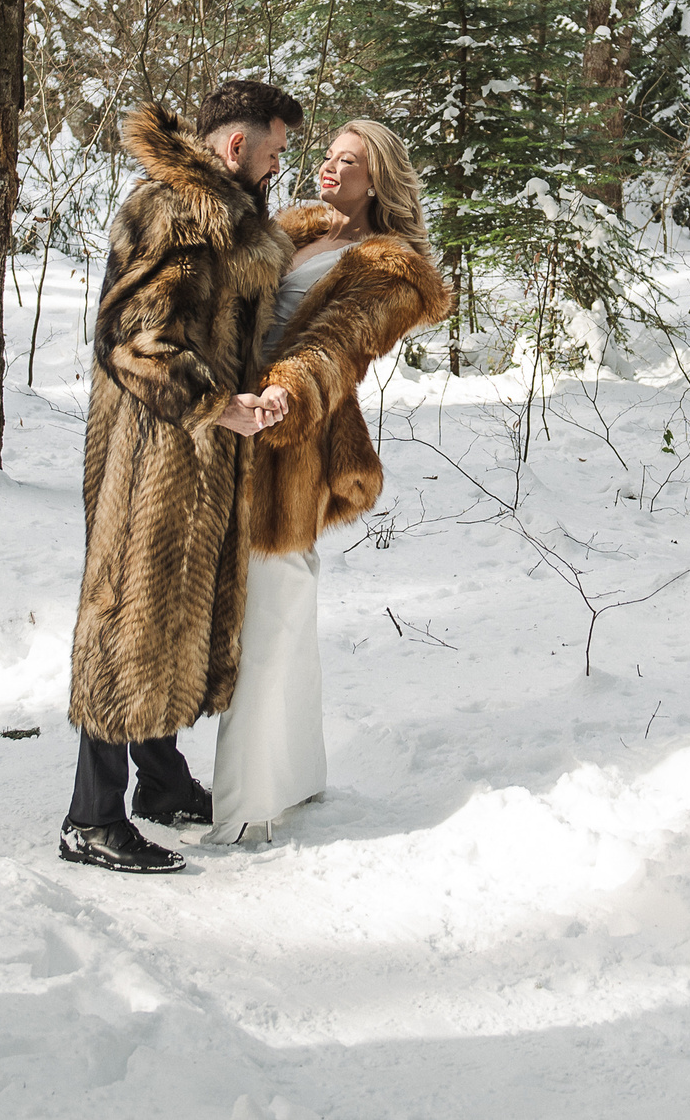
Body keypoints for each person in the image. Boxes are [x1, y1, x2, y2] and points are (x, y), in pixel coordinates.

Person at [60, 79, 304, 875]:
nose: (277, 169)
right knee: (128, 613)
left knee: (169, 612)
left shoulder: (228, 217)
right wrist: (213, 403)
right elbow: (129, 340)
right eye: (272, 152)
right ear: (236, 147)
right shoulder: (172, 209)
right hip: (152, 453)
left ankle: (159, 781)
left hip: (197, 452)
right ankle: (90, 817)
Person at [212, 120, 449, 840]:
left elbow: (338, 343)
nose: (328, 169)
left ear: (376, 177)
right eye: (326, 156)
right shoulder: (292, 227)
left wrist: (286, 390)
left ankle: (246, 807)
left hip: (292, 439)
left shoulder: (391, 266)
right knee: (283, 607)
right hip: (226, 423)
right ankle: (298, 774)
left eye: (348, 162)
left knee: (273, 608)